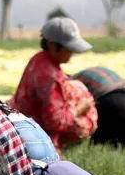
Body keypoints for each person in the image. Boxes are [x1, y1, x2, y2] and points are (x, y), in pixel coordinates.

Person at [11, 16, 98, 150]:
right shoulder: (51, 77)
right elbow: (55, 122)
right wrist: (80, 108)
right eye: (68, 49)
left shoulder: (39, 59)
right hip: (37, 138)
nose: (71, 53)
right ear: (53, 45)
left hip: (23, 122)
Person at [72, 66, 125, 166]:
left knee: (100, 146)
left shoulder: (71, 83)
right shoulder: (90, 72)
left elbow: (76, 111)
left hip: (112, 101)